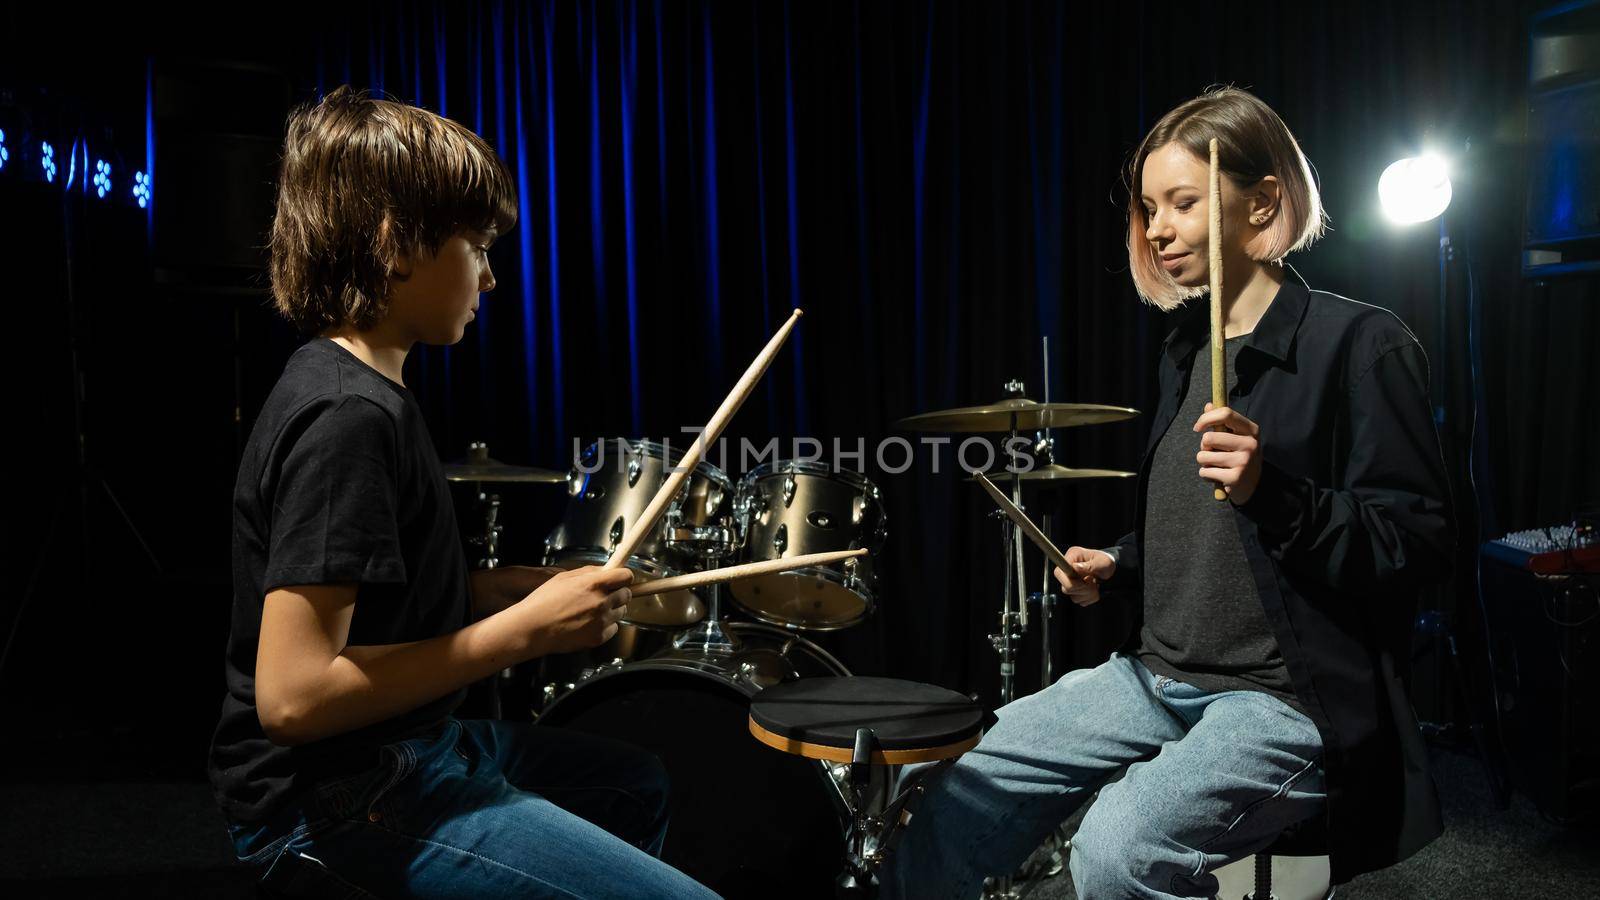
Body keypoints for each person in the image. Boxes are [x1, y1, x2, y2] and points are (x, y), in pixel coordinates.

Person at [883, 86, 1454, 899]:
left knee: (1117, 852)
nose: (1156, 228)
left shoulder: (1361, 344)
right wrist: (1117, 564)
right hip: (1154, 678)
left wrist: (1276, 492)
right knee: (954, 784)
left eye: (1182, 202)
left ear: (1263, 203)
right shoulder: (1186, 349)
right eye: (1149, 208)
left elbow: (1418, 544)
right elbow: (1202, 538)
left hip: (1287, 701)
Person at [207, 85, 719, 900]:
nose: (489, 278)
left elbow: (378, 605)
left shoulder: (366, 390)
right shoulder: (346, 418)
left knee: (633, 783)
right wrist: (522, 634)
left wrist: (508, 590)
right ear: (393, 244)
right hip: (340, 795)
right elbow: (294, 698)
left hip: (409, 746)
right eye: (476, 246)